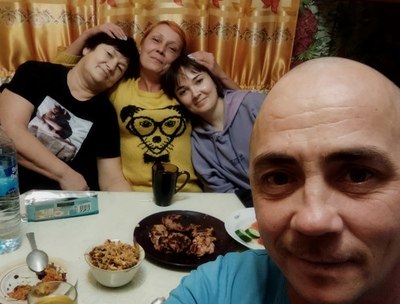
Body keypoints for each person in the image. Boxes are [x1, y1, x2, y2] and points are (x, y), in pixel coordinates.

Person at [164, 57, 400, 304]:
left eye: (358, 176)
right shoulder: (219, 285)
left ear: (213, 79)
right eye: (279, 178)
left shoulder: (252, 104)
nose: (312, 221)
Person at [54, 21, 239, 191]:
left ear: (177, 59)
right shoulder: (117, 84)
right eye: (156, 40)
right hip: (131, 196)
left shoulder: (185, 92)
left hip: (186, 194)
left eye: (172, 49)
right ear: (141, 46)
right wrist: (90, 34)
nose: (161, 49)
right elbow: (58, 77)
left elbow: (241, 110)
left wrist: (220, 74)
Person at [0, 32, 139, 193]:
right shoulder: (36, 73)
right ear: (87, 49)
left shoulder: (106, 114)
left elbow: (112, 180)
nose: (111, 66)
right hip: (9, 192)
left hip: (63, 204)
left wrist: (132, 206)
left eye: (120, 68)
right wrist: (65, 175)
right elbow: (9, 132)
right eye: (109, 54)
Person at [162, 55, 266, 192]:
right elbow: (219, 190)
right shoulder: (198, 143)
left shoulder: (253, 104)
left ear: (213, 79)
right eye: (183, 91)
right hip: (241, 203)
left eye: (199, 81)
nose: (195, 93)